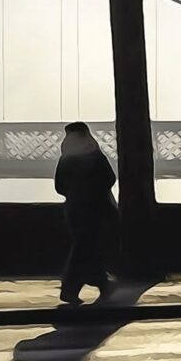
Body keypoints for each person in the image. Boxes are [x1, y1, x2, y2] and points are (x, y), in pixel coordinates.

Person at [54, 121, 118, 305]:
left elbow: (59, 187)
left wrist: (75, 193)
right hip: (96, 207)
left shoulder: (66, 159)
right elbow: (110, 179)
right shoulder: (95, 156)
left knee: (85, 246)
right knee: (85, 247)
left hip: (74, 209)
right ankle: (71, 289)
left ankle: (102, 283)